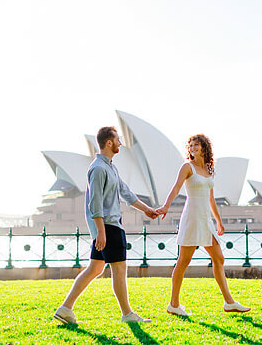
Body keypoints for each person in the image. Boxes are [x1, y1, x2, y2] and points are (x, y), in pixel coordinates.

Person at [54, 126, 159, 325]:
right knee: (119, 270)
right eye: (118, 139)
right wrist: (101, 232)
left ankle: (65, 308)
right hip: (109, 227)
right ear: (109, 142)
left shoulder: (110, 166)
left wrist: (147, 209)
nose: (120, 143)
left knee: (95, 269)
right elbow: (95, 202)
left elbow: (125, 192)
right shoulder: (98, 168)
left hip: (108, 226)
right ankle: (127, 314)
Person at [157, 134, 250, 316]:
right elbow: (176, 188)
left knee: (219, 258)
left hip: (205, 219)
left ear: (204, 147)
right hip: (191, 218)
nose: (193, 148)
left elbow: (211, 198)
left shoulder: (209, 169)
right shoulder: (187, 167)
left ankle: (229, 302)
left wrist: (219, 221)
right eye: (190, 145)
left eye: (196, 144)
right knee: (183, 262)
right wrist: (166, 206)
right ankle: (173, 304)